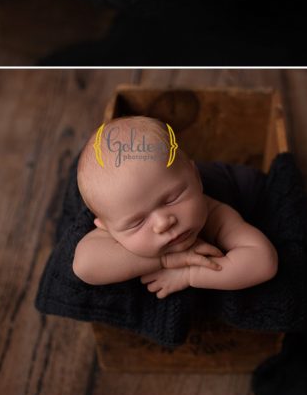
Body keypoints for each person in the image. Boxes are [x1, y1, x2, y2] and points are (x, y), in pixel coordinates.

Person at [73, 115, 278, 297]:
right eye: (137, 222)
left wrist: (189, 273)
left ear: (196, 177)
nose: (163, 223)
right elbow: (84, 266)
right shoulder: (116, 221)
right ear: (106, 227)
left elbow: (263, 261)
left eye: (172, 199)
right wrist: (166, 261)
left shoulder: (215, 214)